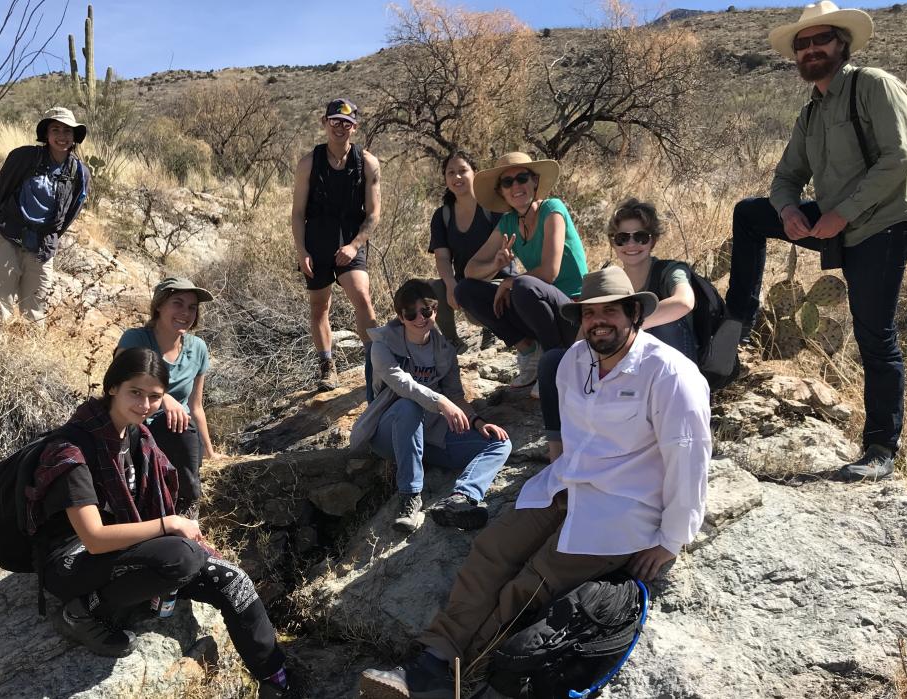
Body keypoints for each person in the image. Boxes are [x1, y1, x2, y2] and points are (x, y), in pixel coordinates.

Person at [360, 267, 711, 698]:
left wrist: (671, 539)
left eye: (611, 312)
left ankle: (457, 674)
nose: (599, 321)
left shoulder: (671, 375)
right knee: (491, 551)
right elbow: (573, 436)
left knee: (533, 581)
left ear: (635, 313)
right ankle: (434, 655)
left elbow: (689, 458)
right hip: (564, 486)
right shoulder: (575, 362)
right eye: (589, 313)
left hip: (622, 509)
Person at [725, 1, 907, 482]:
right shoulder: (810, 112)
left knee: (875, 334)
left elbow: (900, 157)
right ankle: (736, 329)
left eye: (821, 40)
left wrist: (841, 214)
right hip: (836, 221)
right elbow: (786, 176)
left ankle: (879, 449)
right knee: (752, 214)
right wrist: (790, 210)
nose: (811, 50)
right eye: (803, 44)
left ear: (842, 45)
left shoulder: (872, 85)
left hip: (882, 223)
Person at [28, 347, 293, 697]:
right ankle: (81, 612)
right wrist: (168, 525)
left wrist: (171, 530)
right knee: (182, 557)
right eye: (135, 392)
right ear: (112, 387)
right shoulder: (71, 451)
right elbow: (93, 538)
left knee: (233, 579)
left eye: (154, 396)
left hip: (127, 546)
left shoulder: (137, 436)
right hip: (72, 560)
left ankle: (277, 680)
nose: (144, 404)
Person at [538, 198, 699, 462]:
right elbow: (584, 336)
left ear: (653, 240)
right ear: (613, 242)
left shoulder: (670, 270)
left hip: (667, 368)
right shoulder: (608, 278)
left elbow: (683, 301)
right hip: (620, 368)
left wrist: (628, 327)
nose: (631, 244)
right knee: (553, 361)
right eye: (622, 238)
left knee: (666, 324)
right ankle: (558, 455)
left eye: (641, 236)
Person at [351, 279, 511, 533]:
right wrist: (441, 402)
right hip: (389, 433)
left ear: (435, 310)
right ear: (400, 317)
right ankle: (410, 497)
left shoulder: (444, 350)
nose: (420, 318)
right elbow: (402, 384)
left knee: (499, 443)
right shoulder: (381, 346)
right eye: (411, 313)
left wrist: (478, 422)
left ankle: (461, 498)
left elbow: (456, 395)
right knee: (408, 406)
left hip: (431, 437)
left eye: (426, 311)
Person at [456, 152, 588, 398]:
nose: (516, 186)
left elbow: (549, 272)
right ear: (502, 192)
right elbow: (470, 270)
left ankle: (553, 363)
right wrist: (495, 266)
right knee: (465, 289)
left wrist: (509, 281)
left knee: (525, 285)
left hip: (574, 310)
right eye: (507, 182)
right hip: (541, 308)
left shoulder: (552, 209)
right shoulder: (508, 223)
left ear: (534, 182)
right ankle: (529, 351)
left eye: (522, 178)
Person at [291, 98, 380, 394]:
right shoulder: (308, 163)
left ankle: (376, 362)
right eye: (335, 121)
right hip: (316, 240)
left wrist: (355, 246)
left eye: (346, 122)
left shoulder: (366, 162)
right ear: (325, 123)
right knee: (319, 307)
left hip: (351, 240)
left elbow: (374, 214)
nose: (340, 127)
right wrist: (302, 251)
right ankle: (327, 367)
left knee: (362, 296)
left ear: (354, 127)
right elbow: (298, 213)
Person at [116, 277, 218, 516]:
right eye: (178, 303)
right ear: (159, 305)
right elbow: (119, 386)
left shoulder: (198, 348)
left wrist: (210, 452)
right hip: (136, 425)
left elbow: (196, 406)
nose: (185, 312)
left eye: (192, 307)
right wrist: (163, 398)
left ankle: (188, 506)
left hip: (178, 433)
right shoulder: (136, 339)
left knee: (184, 426)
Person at [0, 107, 91, 325]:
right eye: (56, 129)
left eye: (68, 131)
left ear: (74, 136)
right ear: (46, 134)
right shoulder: (24, 157)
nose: (62, 136)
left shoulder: (79, 172)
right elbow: (0, 189)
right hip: (6, 235)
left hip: (42, 245)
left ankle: (29, 357)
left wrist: (52, 235)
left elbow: (70, 212)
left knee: (35, 313)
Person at [426, 150, 510, 352]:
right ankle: (454, 343)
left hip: (497, 281)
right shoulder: (442, 216)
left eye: (463, 171)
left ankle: (494, 329)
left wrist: (474, 282)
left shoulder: (493, 209)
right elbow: (443, 258)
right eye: (450, 172)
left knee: (475, 292)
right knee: (434, 288)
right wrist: (451, 284)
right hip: (464, 285)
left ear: (475, 173)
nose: (457, 177)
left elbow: (503, 255)